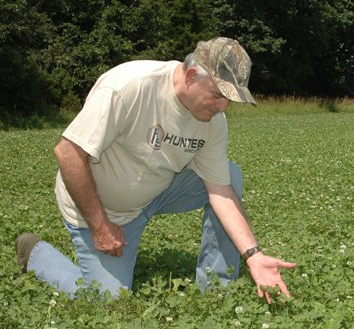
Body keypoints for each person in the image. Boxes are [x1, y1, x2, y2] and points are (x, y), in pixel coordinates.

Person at [15, 37, 295, 303]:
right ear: (190, 76)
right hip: (101, 208)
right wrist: (100, 226)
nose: (223, 107)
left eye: (229, 100)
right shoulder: (129, 87)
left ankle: (216, 290)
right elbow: (68, 154)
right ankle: (36, 254)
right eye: (218, 95)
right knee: (107, 300)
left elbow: (220, 191)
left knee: (229, 176)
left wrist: (253, 255)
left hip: (158, 191)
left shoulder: (213, 121)